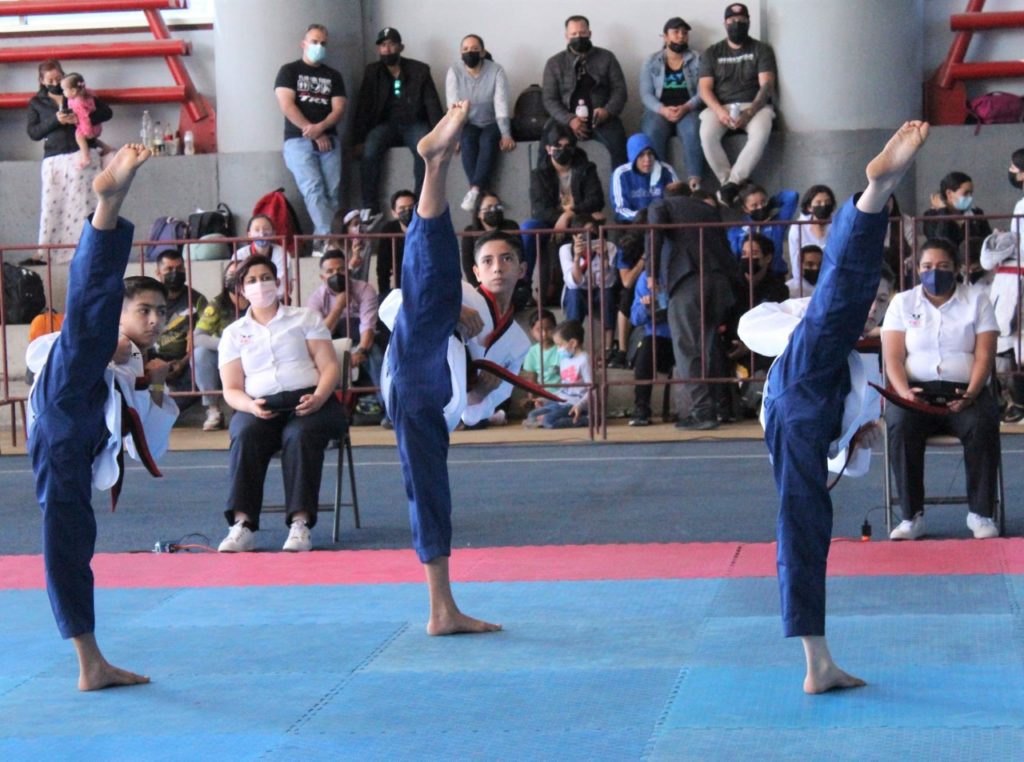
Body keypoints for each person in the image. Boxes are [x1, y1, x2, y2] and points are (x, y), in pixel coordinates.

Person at [736, 121, 930, 693]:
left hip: (808, 416)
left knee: (806, 525)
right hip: (798, 379)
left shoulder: (853, 359)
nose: (872, 309)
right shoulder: (804, 320)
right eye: (874, 299)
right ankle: (875, 194)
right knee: (837, 300)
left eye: (879, 302)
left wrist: (852, 437)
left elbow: (834, 443)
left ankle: (817, 661)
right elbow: (820, 305)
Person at [26, 144, 176, 690]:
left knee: (73, 538)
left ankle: (90, 662)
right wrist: (110, 348)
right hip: (62, 405)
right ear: (122, 310)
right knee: (88, 324)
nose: (155, 320)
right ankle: (108, 206)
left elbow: (148, 447)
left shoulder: (136, 364)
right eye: (144, 310)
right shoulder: (95, 336)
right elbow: (46, 357)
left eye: (162, 312)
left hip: (79, 432)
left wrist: (151, 384)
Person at [378, 101, 529, 634]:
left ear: (522, 269)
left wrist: (484, 388)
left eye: (506, 260)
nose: (496, 268)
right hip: (413, 359)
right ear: (476, 270)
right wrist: (451, 312)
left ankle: (442, 608)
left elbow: (476, 412)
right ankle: (435, 164)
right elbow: (392, 308)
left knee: (431, 494)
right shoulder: (462, 290)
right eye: (487, 260)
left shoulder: (518, 340)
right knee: (431, 283)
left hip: (436, 402)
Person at [216, 255, 345, 553]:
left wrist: (319, 397)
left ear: (277, 282)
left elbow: (329, 367)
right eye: (251, 280)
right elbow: (231, 389)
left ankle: (300, 524)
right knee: (244, 433)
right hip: (260, 406)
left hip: (311, 401)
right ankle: (243, 525)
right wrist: (250, 406)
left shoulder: (305, 318)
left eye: (265, 278)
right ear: (241, 289)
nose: (260, 285)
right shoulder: (233, 333)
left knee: (298, 434)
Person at [881, 238, 1001, 541]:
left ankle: (981, 513)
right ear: (917, 269)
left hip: (966, 392)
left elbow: (985, 356)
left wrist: (971, 393)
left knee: (983, 422)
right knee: (900, 423)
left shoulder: (978, 300)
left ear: (957, 268)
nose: (934, 272)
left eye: (943, 266)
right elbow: (893, 357)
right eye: (927, 266)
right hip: (915, 393)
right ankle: (911, 516)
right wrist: (904, 392)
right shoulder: (902, 303)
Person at [648, 188, 741, 430]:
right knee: (709, 346)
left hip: (687, 279)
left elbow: (654, 232)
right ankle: (722, 406)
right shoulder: (707, 208)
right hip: (720, 282)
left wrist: (651, 271)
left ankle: (702, 410)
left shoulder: (662, 205)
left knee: (686, 347)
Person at [26, 59, 112, 265]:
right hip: (55, 157)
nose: (55, 83)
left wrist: (82, 117)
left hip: (82, 154)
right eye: (50, 80)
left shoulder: (78, 93)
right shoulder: (36, 102)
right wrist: (56, 120)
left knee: (86, 203)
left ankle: (89, 248)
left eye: (58, 78)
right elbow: (34, 132)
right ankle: (47, 251)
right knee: (52, 205)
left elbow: (106, 112)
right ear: (41, 81)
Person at [354, 27, 444, 212]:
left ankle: (420, 204)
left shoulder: (420, 70)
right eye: (383, 45)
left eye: (391, 44)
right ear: (378, 49)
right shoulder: (372, 72)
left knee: (423, 151)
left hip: (413, 123)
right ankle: (370, 208)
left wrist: (442, 137)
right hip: (385, 125)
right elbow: (363, 107)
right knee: (370, 150)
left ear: (401, 47)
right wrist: (358, 139)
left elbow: (432, 104)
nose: (387, 49)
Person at [698, 3, 778, 206]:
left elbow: (767, 86)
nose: (736, 24)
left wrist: (749, 113)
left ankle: (732, 183)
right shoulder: (712, 52)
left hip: (754, 105)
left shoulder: (761, 49)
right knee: (706, 134)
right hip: (721, 106)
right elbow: (704, 89)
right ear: (725, 23)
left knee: (761, 131)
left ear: (748, 22)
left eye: (741, 20)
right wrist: (719, 112)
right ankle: (728, 184)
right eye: (732, 21)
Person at [274, 24, 347, 242]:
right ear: (303, 44)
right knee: (313, 189)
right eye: (314, 42)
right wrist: (314, 132)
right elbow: (287, 105)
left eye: (323, 43)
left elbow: (339, 109)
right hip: (298, 141)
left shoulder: (333, 76)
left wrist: (321, 128)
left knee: (332, 192)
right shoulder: (289, 71)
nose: (319, 46)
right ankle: (329, 240)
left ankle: (322, 240)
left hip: (329, 140)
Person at [522, 121, 605, 302]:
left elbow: (596, 200)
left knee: (593, 224)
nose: (562, 150)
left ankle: (591, 289)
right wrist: (559, 219)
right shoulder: (539, 174)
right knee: (528, 227)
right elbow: (540, 209)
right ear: (548, 149)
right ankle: (523, 285)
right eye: (557, 146)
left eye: (567, 146)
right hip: (549, 222)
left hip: (577, 220)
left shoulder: (586, 169)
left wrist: (568, 215)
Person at [542, 14, 628, 168]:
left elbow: (620, 90)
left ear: (590, 33)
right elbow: (549, 99)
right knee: (545, 147)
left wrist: (607, 111)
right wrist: (569, 119)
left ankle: (620, 182)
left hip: (602, 120)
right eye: (574, 34)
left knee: (619, 148)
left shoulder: (607, 58)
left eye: (582, 33)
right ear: (566, 36)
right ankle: (544, 183)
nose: (578, 37)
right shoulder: (554, 63)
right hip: (565, 120)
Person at [445, 34, 516, 211]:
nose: (470, 52)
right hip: (468, 122)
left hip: (492, 121)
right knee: (467, 141)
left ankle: (475, 191)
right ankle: (479, 192)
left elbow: (501, 104)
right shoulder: (454, 71)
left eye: (475, 49)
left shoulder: (496, 70)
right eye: (465, 49)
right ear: (460, 53)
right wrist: (454, 136)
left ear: (483, 52)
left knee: (488, 141)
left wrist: (506, 134)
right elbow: (453, 106)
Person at [306, 248, 384, 408]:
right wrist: (339, 306)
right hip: (332, 340)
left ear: (348, 271)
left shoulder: (364, 289)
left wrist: (361, 351)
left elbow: (367, 325)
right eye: (330, 271)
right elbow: (319, 334)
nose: (337, 274)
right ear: (322, 277)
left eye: (341, 269)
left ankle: (387, 407)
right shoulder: (316, 299)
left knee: (375, 354)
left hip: (360, 338)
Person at [639, 17, 705, 191]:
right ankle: (658, 182)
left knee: (693, 130)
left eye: (684, 33)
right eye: (676, 32)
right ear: (665, 37)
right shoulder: (652, 61)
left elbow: (703, 92)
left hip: (689, 109)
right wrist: (662, 110)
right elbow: (646, 94)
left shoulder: (698, 59)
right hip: (659, 110)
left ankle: (695, 182)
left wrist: (686, 107)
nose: (681, 36)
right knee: (652, 130)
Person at [193, 260, 248, 432]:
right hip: (226, 356)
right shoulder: (217, 304)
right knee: (200, 354)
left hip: (254, 353)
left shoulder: (259, 302)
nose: (236, 278)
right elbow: (197, 337)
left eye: (240, 274)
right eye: (231, 275)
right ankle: (213, 410)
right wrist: (228, 345)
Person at [153, 249, 208, 405]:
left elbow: (206, 336)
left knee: (203, 358)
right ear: (158, 273)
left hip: (184, 363)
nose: (175, 273)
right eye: (169, 269)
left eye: (179, 268)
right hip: (150, 361)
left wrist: (182, 363)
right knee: (132, 356)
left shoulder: (197, 300)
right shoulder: (149, 298)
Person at [559, 215, 618, 353]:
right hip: (578, 292)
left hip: (600, 291)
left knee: (607, 294)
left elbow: (608, 283)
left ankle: (607, 348)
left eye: (592, 231)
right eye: (584, 233)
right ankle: (573, 347)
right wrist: (577, 257)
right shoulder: (566, 249)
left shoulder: (609, 247)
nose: (589, 236)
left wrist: (603, 257)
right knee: (574, 294)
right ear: (575, 236)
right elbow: (573, 283)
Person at [524, 319, 591, 428]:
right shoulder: (565, 360)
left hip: (577, 404)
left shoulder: (584, 360)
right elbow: (564, 389)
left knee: (549, 421)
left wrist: (580, 405)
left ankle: (587, 419)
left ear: (573, 343)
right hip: (562, 402)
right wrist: (546, 399)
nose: (558, 349)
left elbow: (592, 389)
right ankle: (548, 418)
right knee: (532, 415)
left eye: (560, 345)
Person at [629, 275, 674, 426]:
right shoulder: (645, 279)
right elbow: (635, 318)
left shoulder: (678, 272)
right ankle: (641, 409)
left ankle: (715, 409)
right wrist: (646, 307)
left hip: (684, 336)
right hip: (659, 339)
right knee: (647, 347)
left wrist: (660, 297)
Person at [923, 171, 992, 265]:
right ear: (949, 194)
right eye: (966, 193)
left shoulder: (976, 213)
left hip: (975, 265)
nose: (970, 197)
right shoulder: (931, 216)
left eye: (971, 193)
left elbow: (986, 240)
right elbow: (941, 242)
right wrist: (943, 212)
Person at [727, 183, 798, 275]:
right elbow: (733, 257)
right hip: (749, 276)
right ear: (745, 208)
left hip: (775, 274)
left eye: (763, 202)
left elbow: (792, 196)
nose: (760, 207)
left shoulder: (777, 222)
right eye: (754, 205)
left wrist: (771, 203)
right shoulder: (737, 229)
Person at [610, 133, 679, 223]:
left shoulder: (666, 170)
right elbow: (620, 210)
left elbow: (677, 203)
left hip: (662, 223)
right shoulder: (621, 174)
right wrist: (645, 217)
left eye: (650, 154)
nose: (647, 159)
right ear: (633, 157)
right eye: (641, 155)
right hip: (634, 223)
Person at [460, 191, 521, 287]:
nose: (493, 211)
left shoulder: (511, 227)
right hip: (481, 284)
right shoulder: (470, 232)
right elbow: (468, 265)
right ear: (479, 213)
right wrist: (477, 288)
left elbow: (520, 256)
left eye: (497, 207)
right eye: (488, 208)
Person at [60, 73, 111, 169]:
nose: (63, 92)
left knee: (79, 137)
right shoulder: (87, 95)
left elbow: (84, 118)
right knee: (91, 139)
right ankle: (106, 148)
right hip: (94, 126)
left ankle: (85, 158)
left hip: (88, 127)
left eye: (64, 90)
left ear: (73, 91)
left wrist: (87, 131)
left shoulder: (78, 102)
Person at [233, 214, 290, 299]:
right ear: (249, 234)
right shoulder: (240, 255)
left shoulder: (281, 253)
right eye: (256, 230)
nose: (262, 234)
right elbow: (237, 283)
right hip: (247, 299)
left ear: (273, 233)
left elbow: (281, 284)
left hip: (276, 299)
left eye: (266, 229)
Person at [787, 185, 836, 276]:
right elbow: (795, 259)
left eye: (827, 202)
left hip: (832, 275)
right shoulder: (798, 227)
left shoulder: (839, 224)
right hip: (805, 276)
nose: (823, 205)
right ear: (809, 207)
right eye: (818, 202)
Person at [521, 309, 561, 411]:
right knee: (535, 414)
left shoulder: (563, 349)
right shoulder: (532, 352)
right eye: (539, 330)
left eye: (549, 329)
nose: (544, 334)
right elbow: (532, 380)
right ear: (532, 332)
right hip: (543, 397)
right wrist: (532, 400)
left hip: (562, 394)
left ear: (556, 329)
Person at [377, 189, 415, 298]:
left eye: (411, 207)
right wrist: (385, 296)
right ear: (394, 213)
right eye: (402, 208)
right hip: (400, 286)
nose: (407, 211)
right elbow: (383, 268)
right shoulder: (389, 230)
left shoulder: (426, 228)